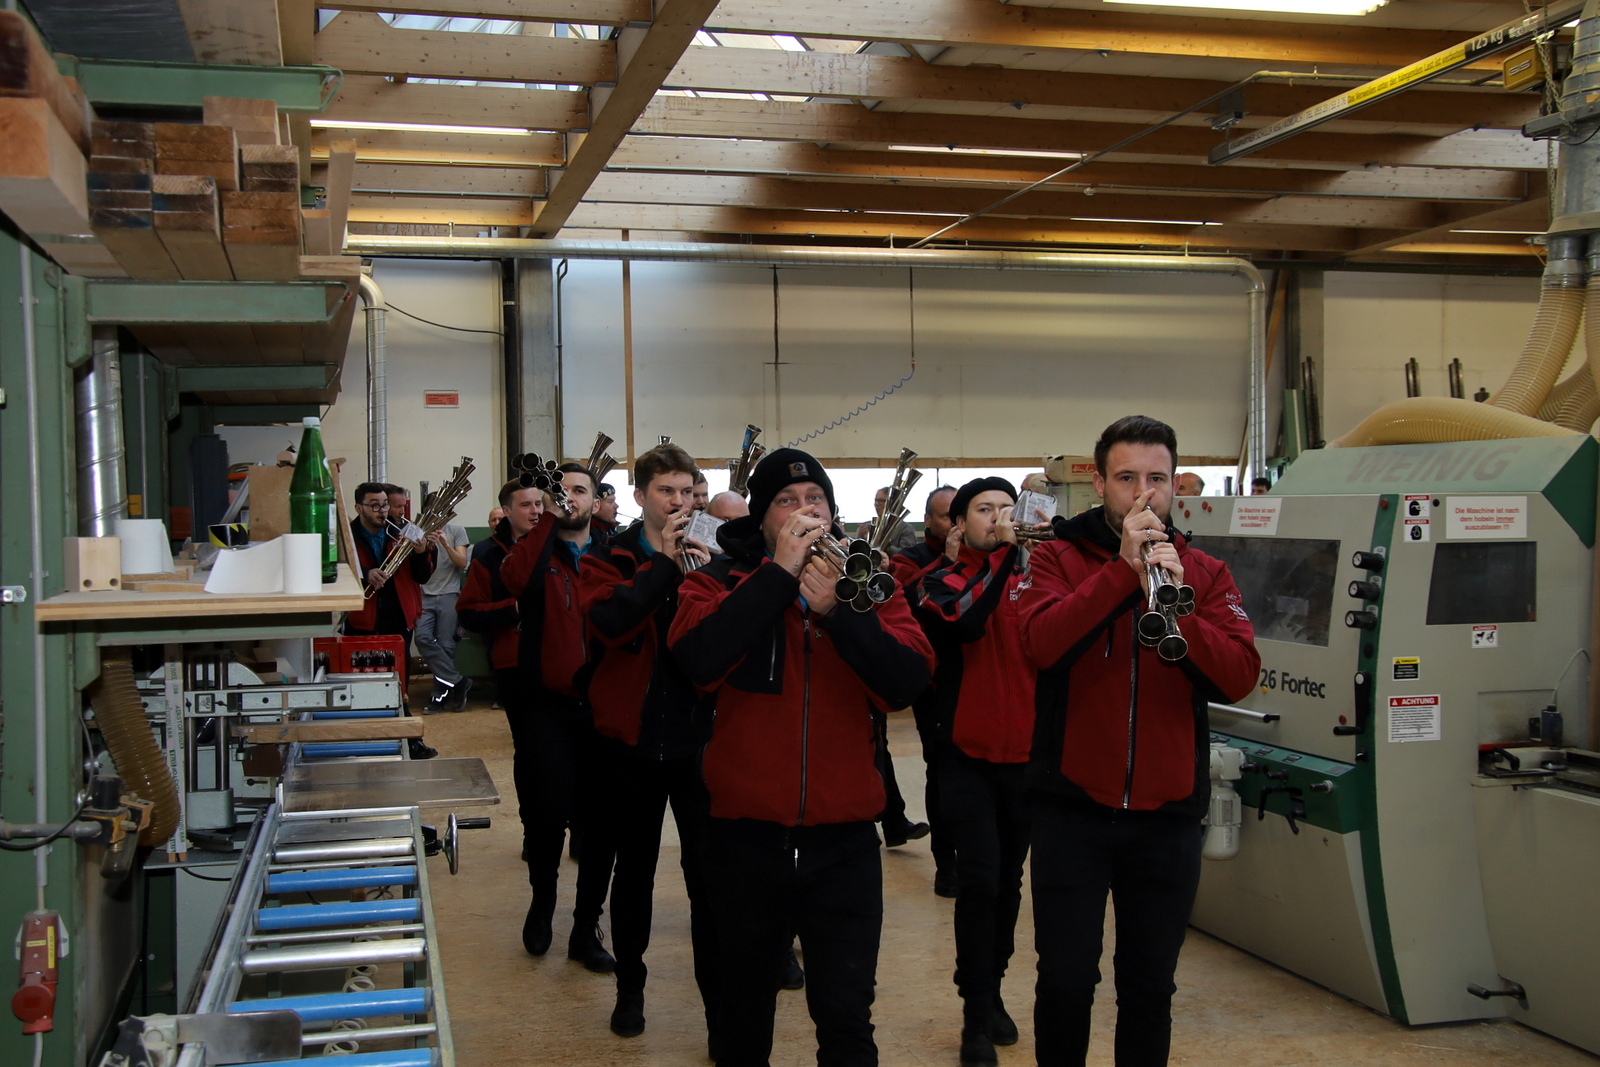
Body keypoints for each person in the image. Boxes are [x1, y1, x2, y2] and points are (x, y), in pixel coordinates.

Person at [669, 448, 934, 1067]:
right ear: (762, 518)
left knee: (847, 1018)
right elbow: (698, 660)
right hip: (743, 837)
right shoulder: (715, 579)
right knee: (742, 1017)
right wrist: (777, 578)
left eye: (816, 499)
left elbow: (907, 682)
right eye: (786, 501)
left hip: (844, 842)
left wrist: (841, 614)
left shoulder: (870, 585)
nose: (804, 510)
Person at [1019, 416, 1260, 1067]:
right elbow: (1041, 644)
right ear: (1099, 483)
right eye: (1127, 478)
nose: (1143, 494)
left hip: (1167, 815)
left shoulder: (1204, 570)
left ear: (1176, 484)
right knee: (1065, 980)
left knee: (1150, 987)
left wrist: (1178, 604)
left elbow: (1239, 675)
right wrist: (1123, 574)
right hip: (1072, 808)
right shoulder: (1057, 557)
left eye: (1157, 478)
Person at [578, 442, 718, 1041]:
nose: (679, 502)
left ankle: (719, 1009)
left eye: (687, 492)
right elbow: (611, 621)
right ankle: (630, 989)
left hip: (698, 741)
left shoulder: (711, 552)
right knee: (633, 873)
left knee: (708, 877)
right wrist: (662, 564)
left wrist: (707, 569)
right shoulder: (607, 555)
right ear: (640, 496)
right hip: (630, 744)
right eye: (666, 491)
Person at [467, 464, 616, 970]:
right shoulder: (531, 551)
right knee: (547, 817)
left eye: (580, 491)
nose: (568, 498)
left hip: (603, 707)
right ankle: (543, 901)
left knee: (600, 826)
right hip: (545, 705)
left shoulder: (613, 551)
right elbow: (514, 580)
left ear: (595, 502)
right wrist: (547, 520)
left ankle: (586, 926)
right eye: (560, 491)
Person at [909, 477, 1035, 1066]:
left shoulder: (1036, 579)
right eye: (985, 510)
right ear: (959, 524)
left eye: (1008, 509)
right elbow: (966, 621)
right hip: (965, 758)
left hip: (1028, 759)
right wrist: (1006, 556)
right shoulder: (939, 581)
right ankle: (975, 1011)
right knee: (979, 881)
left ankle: (993, 988)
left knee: (1008, 883)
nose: (999, 518)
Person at [888, 484, 960, 897]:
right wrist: (947, 562)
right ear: (928, 520)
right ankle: (946, 864)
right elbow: (906, 601)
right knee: (942, 772)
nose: (955, 523)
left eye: (960, 513)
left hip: (977, 683)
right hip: (933, 685)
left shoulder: (990, 557)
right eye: (946, 516)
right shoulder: (909, 558)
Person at [345, 481, 437, 758]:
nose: (382, 511)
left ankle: (407, 741)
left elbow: (422, 576)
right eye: (374, 505)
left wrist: (422, 552)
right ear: (359, 507)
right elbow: (337, 568)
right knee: (362, 682)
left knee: (399, 682)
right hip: (362, 619)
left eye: (385, 505)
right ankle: (365, 741)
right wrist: (365, 574)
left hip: (398, 618)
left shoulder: (404, 532)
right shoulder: (346, 535)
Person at [416, 491, 473, 712]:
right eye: (434, 510)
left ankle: (438, 697)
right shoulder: (417, 532)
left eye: (444, 510)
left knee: (446, 645)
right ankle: (459, 682)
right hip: (423, 594)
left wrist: (445, 544)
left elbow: (462, 563)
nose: (439, 515)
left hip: (449, 593)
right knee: (422, 638)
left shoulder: (457, 531)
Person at [856, 485, 920, 555]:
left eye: (881, 501)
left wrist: (886, 546)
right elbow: (855, 554)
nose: (877, 504)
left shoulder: (906, 529)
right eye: (876, 500)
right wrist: (862, 540)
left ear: (892, 503)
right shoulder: (865, 527)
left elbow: (908, 555)